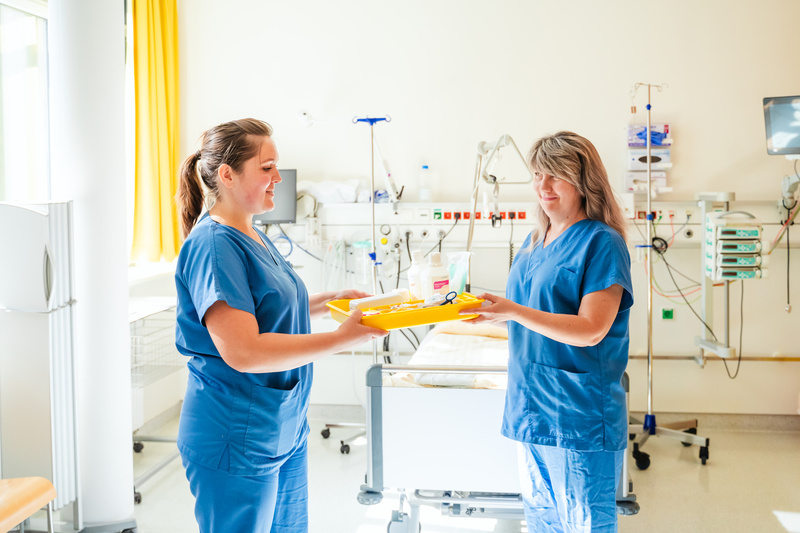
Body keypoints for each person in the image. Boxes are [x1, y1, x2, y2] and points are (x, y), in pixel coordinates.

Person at [173, 118, 387, 533]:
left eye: (277, 167)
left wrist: (327, 304)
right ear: (228, 175)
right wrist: (340, 339)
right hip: (235, 434)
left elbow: (266, 310)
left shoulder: (252, 231)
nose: (278, 178)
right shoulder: (215, 244)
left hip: (280, 425)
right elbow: (244, 350)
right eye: (266, 168)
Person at [464, 131, 633, 532]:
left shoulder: (601, 242)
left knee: (583, 522)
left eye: (555, 175)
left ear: (583, 181)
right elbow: (530, 310)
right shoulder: (534, 240)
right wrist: (492, 312)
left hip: (578, 410)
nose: (543, 186)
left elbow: (592, 330)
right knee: (543, 520)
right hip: (532, 402)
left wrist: (513, 311)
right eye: (538, 174)